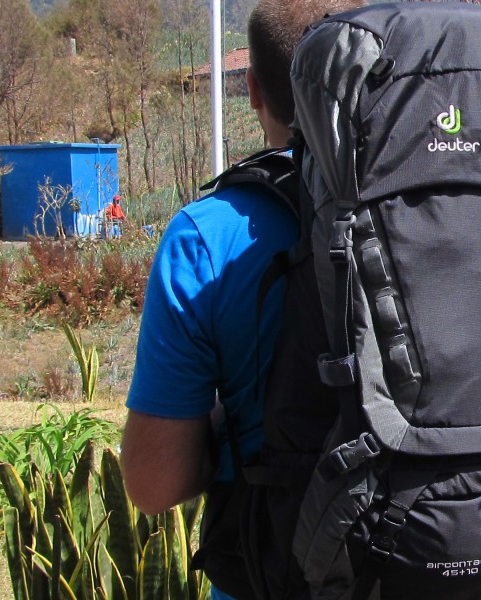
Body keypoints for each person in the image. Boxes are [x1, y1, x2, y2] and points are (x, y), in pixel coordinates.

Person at [119, 1, 360, 598]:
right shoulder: (446, 211)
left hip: (275, 575)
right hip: (448, 554)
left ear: (252, 88)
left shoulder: (205, 238)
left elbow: (152, 483)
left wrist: (220, 443)